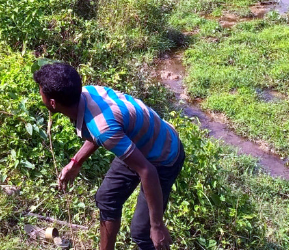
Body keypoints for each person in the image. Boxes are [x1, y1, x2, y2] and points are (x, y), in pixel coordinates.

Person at [33, 62, 184, 250]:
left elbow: (147, 171)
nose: (41, 96)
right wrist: (76, 161)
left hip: (162, 157)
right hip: (135, 144)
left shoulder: (104, 128)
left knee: (143, 233)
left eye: (41, 93)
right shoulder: (85, 94)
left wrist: (158, 225)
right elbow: (98, 131)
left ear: (52, 102)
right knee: (107, 198)